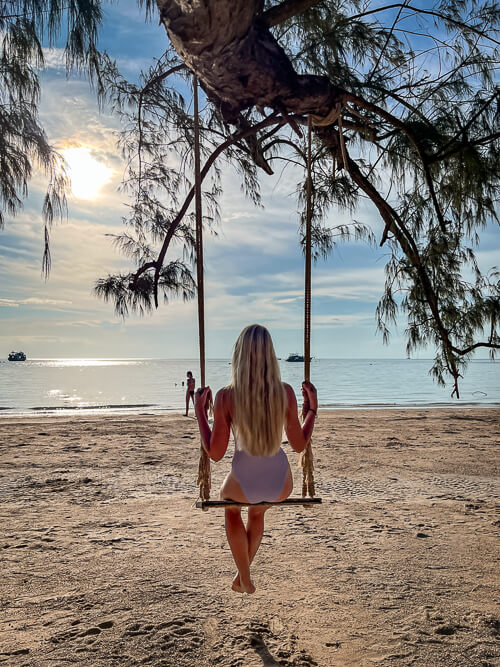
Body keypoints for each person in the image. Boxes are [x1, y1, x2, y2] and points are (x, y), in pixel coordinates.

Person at [195, 324, 317, 594]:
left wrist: (201, 414)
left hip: (244, 481)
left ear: (239, 354)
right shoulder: (284, 392)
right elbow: (298, 445)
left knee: (231, 508)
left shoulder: (226, 396)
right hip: (280, 482)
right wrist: (312, 412)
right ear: (271, 356)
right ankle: (242, 578)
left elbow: (214, 454)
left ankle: (246, 578)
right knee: (257, 512)